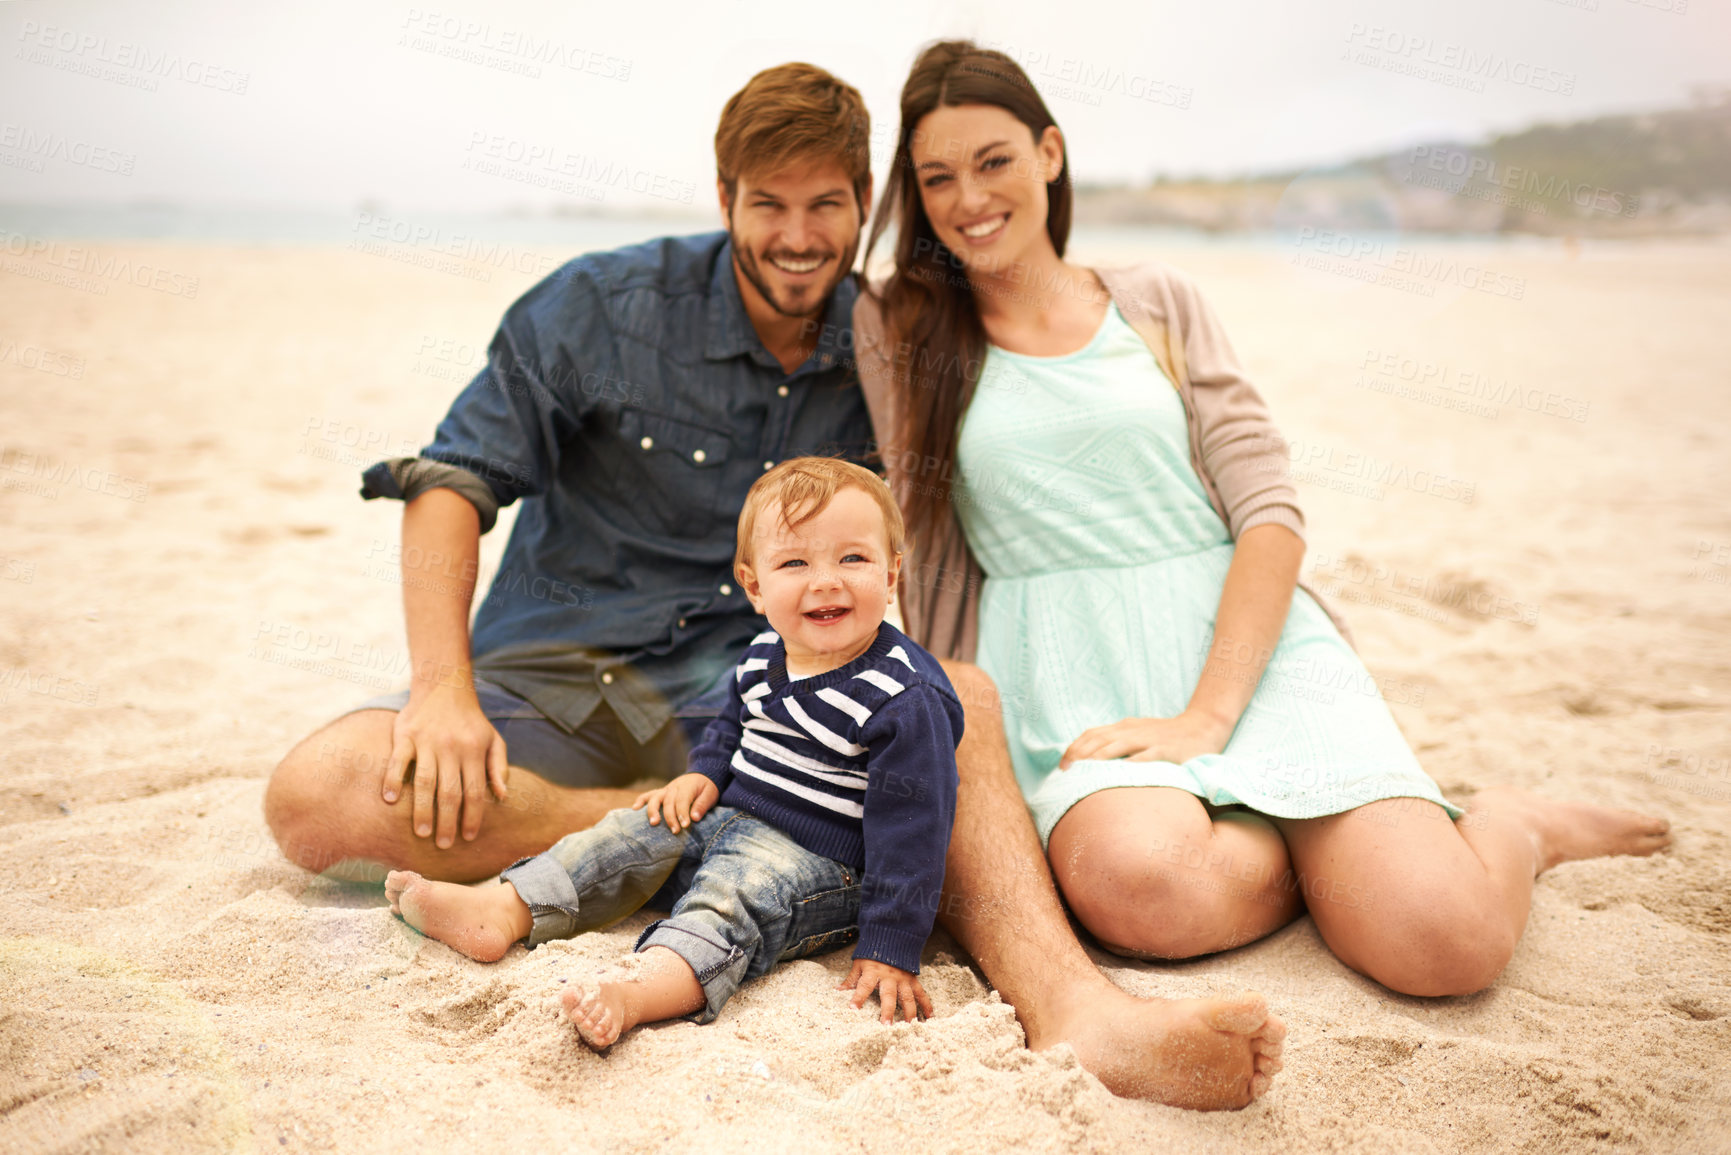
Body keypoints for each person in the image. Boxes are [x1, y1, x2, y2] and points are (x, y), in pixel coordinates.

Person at [266, 59, 1288, 1111]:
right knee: (319, 795)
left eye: (827, 208)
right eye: (769, 206)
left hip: (777, 697)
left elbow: (1033, 450)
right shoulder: (599, 306)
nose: (798, 237)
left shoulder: (892, 342)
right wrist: (440, 686)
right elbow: (452, 483)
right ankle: (731, 831)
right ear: (724, 198)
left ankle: (1080, 1009)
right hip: (560, 681)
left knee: (959, 699)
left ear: (863, 209)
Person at [853, 40, 1671, 1004]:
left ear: (1050, 153)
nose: (967, 198)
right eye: (935, 176)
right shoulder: (898, 328)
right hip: (1065, 670)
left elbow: (1267, 510)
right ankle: (1322, 853)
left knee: (1444, 942)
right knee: (1140, 885)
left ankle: (1509, 825)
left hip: (1242, 641)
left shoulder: (1155, 301)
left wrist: (1208, 716)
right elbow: (778, 268)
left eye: (993, 160)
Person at [383, 458, 962, 1044]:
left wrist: (891, 944)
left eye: (852, 558)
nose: (826, 580)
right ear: (755, 585)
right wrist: (705, 774)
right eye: (794, 563)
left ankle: (640, 989)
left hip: (816, 863)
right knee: (627, 832)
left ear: (892, 574)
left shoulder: (903, 697)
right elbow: (733, 723)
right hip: (723, 820)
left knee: (733, 897)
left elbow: (915, 831)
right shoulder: (765, 651)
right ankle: (504, 909)